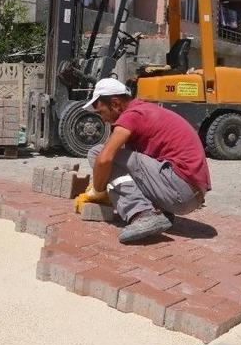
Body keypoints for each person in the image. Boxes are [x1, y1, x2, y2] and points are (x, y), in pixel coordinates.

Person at [78, 78, 211, 243]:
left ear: (115, 103)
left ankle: (142, 214)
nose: (103, 119)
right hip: (188, 194)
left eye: (101, 112)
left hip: (179, 189)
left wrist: (98, 191)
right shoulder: (144, 110)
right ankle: (155, 210)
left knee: (97, 153)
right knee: (121, 155)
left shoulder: (132, 116)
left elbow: (104, 159)